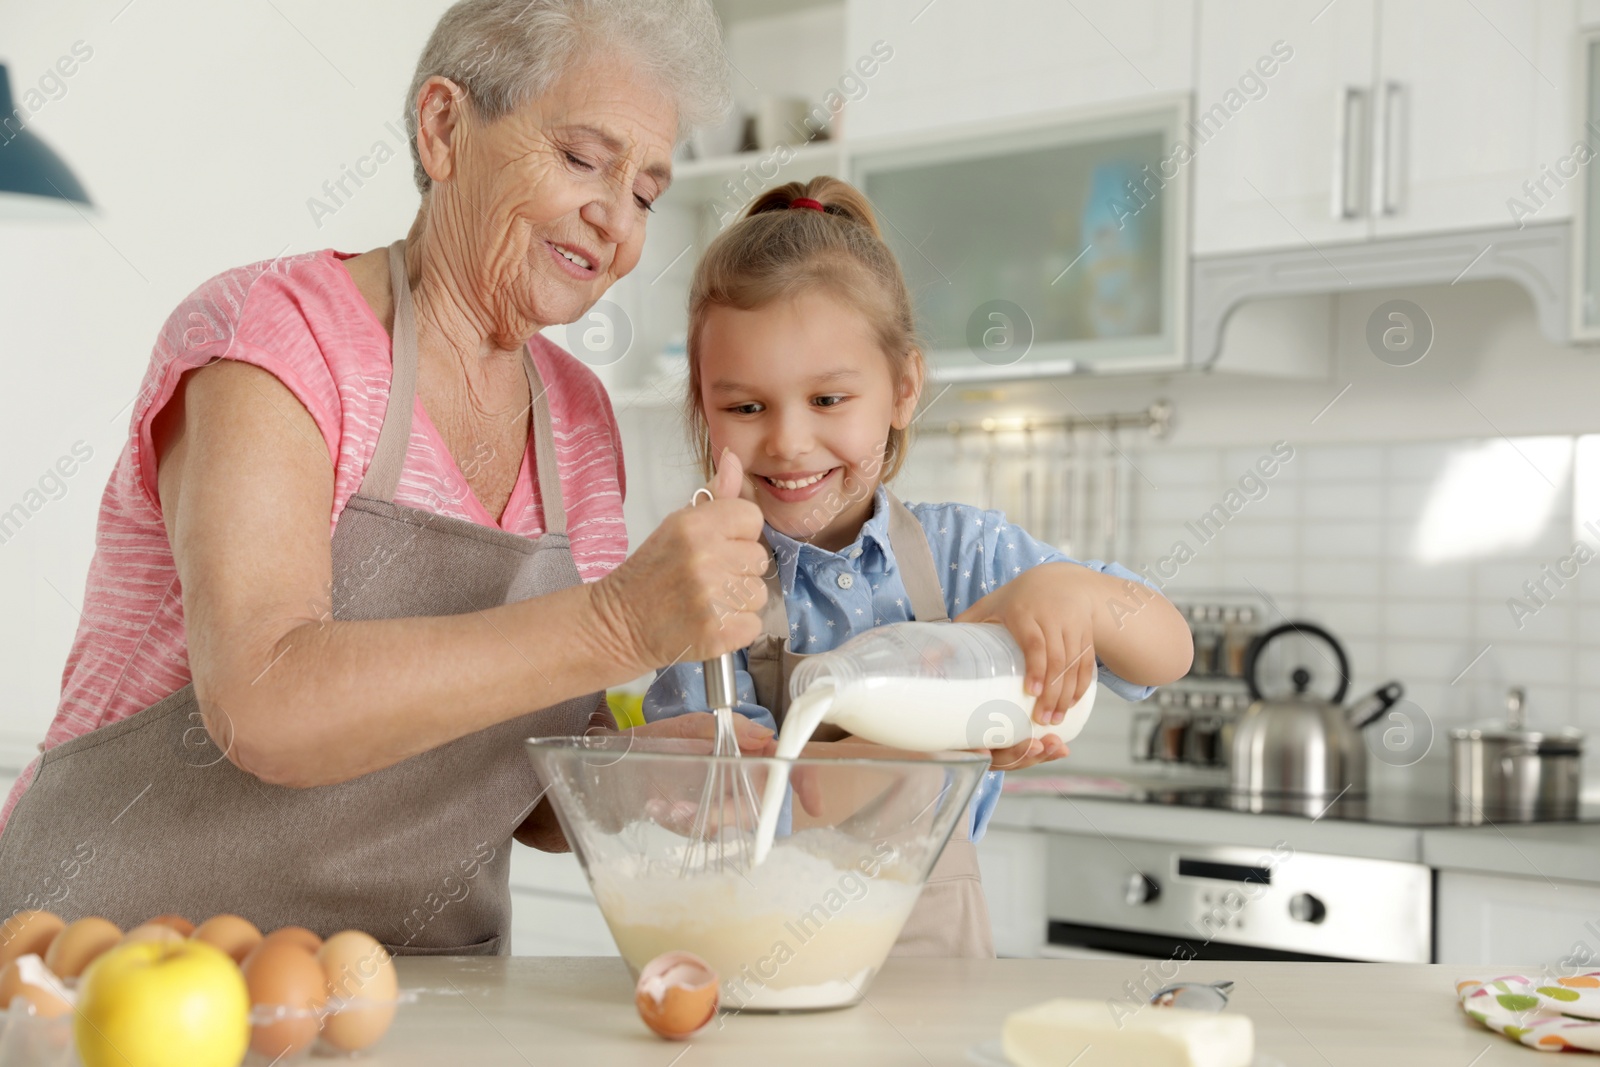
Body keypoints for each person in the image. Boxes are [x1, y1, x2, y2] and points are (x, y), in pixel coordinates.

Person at [0, 0, 776, 956]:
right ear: (444, 128)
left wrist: (635, 772)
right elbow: (263, 699)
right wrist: (617, 620)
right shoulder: (272, 336)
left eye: (648, 192)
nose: (615, 220)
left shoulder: (579, 421)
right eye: (582, 158)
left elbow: (511, 771)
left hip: (407, 997)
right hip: (115, 975)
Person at [643, 177, 1193, 957]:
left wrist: (1071, 591)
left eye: (829, 399)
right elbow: (750, 799)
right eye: (746, 408)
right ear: (704, 406)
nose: (790, 442)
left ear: (902, 389)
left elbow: (1169, 650)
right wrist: (952, 731)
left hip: (934, 959)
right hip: (757, 956)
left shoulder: (962, 555)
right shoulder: (704, 591)